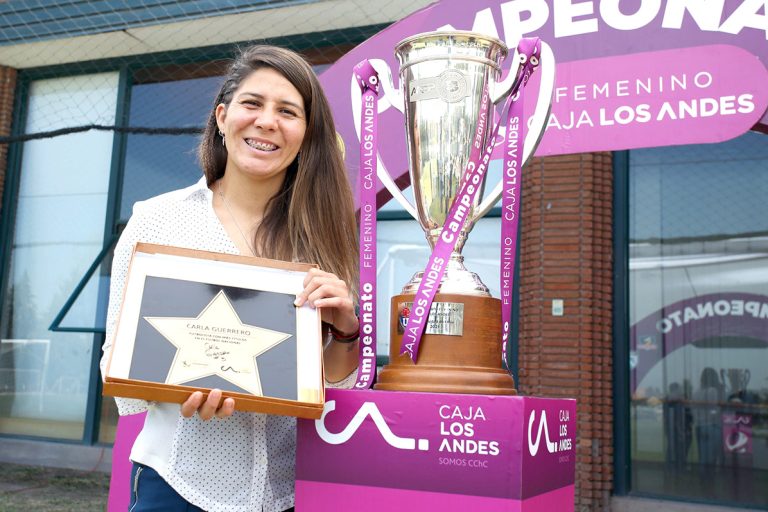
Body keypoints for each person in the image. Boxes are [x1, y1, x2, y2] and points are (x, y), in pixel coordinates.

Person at [100, 45, 360, 512]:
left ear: (305, 134)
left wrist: (345, 328)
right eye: (252, 103)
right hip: (176, 486)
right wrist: (178, 388)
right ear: (222, 116)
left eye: (288, 111)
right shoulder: (157, 219)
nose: (266, 122)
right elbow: (116, 367)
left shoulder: (321, 236)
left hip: (289, 492)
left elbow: (334, 384)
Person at [692, 367, 724, 468]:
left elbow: (694, 410)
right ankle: (709, 478)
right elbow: (714, 409)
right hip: (711, 426)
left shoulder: (695, 392)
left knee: (702, 455)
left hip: (699, 426)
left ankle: (703, 479)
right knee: (711, 456)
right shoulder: (712, 391)